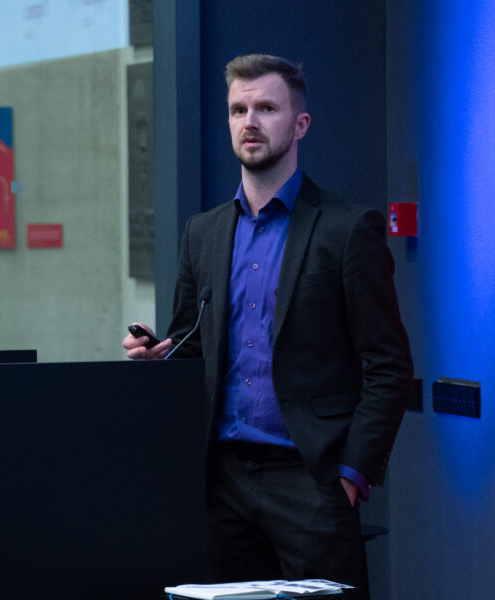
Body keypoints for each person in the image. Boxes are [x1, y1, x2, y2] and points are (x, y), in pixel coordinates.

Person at [123, 54, 412, 597]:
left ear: (300, 124)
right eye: (238, 110)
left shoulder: (347, 229)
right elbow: (190, 350)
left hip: (310, 480)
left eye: (266, 109)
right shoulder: (203, 233)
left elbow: (389, 366)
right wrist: (155, 359)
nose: (249, 122)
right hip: (221, 484)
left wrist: (351, 476)